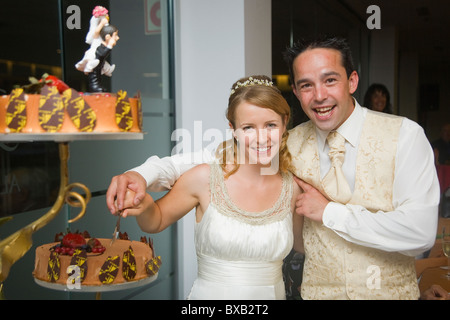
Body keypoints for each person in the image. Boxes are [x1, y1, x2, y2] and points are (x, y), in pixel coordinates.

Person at [107, 37, 440, 300]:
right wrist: (143, 174)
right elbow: (209, 161)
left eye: (330, 80)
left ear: (352, 81)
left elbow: (420, 233)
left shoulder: (405, 137)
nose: (319, 95)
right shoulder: (285, 143)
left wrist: (328, 213)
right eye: (307, 85)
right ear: (296, 92)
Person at [116, 75, 303, 300]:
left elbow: (304, 245)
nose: (261, 138)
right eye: (248, 128)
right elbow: (155, 220)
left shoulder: (293, 187)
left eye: (270, 125)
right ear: (233, 129)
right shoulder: (204, 177)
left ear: (285, 123)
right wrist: (145, 205)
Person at [75, 6, 115, 77]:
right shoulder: (96, 33)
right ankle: (89, 67)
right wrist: (102, 23)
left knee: (102, 61)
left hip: (100, 49)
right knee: (93, 57)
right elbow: (96, 31)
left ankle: (108, 70)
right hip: (95, 49)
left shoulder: (101, 34)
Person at [87, 24, 119, 92]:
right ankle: (94, 85)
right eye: (115, 35)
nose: (117, 38)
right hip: (94, 71)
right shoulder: (99, 46)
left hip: (98, 70)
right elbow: (101, 55)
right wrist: (110, 45)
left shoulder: (102, 46)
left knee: (98, 73)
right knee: (95, 73)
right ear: (107, 37)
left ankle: (97, 84)